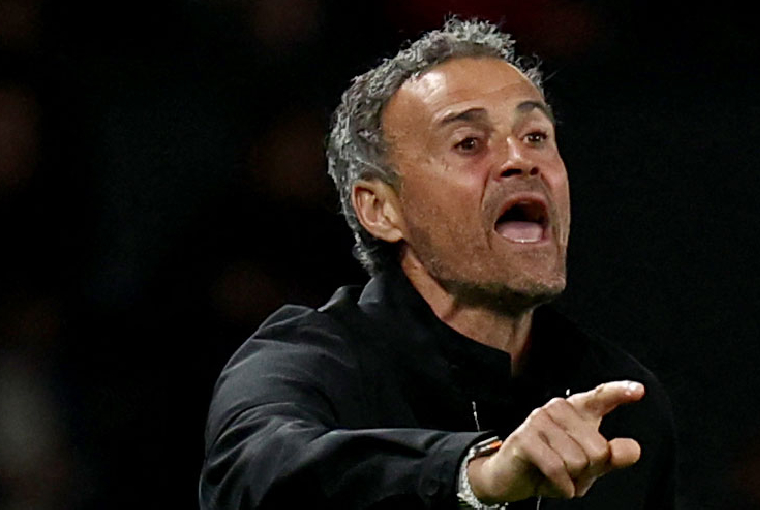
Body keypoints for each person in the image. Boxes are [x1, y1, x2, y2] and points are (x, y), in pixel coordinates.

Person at [199, 18, 676, 509]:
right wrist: (473, 474)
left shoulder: (620, 402)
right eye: (468, 143)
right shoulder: (306, 364)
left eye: (536, 136)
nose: (520, 159)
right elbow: (252, 474)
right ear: (381, 210)